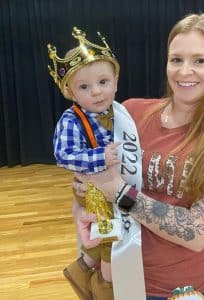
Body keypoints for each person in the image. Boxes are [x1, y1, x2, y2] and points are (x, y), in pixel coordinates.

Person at [71, 12, 204, 300]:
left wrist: (119, 192)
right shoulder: (130, 112)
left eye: (200, 61)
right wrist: (84, 207)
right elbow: (87, 182)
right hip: (117, 278)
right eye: (176, 59)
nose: (184, 71)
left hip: (179, 289)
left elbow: (195, 232)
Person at [48, 27, 122, 300]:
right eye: (84, 87)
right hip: (93, 192)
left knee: (116, 233)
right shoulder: (72, 119)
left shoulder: (119, 111)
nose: (97, 92)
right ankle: (105, 289)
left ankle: (82, 269)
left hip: (115, 186)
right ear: (70, 92)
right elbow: (63, 155)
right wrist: (99, 156)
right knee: (111, 241)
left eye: (103, 82)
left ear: (115, 80)